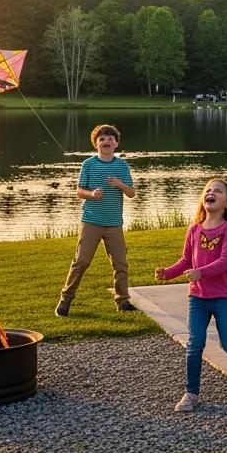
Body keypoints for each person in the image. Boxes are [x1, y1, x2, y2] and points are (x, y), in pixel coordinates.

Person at [155, 178, 227, 413]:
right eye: (208, 190)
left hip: (223, 297)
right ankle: (191, 393)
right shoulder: (194, 229)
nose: (211, 193)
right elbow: (186, 260)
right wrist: (168, 273)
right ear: (203, 199)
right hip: (198, 298)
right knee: (194, 344)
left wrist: (201, 272)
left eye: (218, 191)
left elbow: (225, 261)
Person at [55, 124, 136, 317]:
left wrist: (119, 184)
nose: (106, 141)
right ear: (96, 144)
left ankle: (123, 301)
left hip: (114, 224)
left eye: (110, 139)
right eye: (102, 139)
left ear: (116, 144)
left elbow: (131, 193)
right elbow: (79, 191)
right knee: (81, 261)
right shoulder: (88, 164)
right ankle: (66, 299)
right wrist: (91, 194)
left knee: (120, 264)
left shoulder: (122, 166)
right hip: (91, 222)